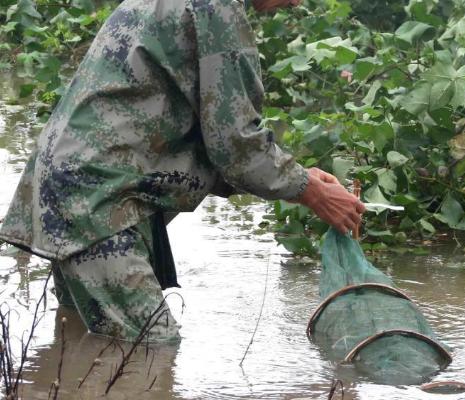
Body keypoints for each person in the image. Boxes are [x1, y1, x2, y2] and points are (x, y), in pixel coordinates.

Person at [0, 0, 365, 342]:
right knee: (149, 350)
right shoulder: (216, 10)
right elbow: (236, 146)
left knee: (81, 340)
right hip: (98, 201)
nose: (297, 2)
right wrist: (309, 190)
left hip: (76, 188)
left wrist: (302, 179)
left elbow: (202, 136)